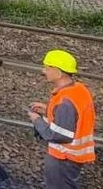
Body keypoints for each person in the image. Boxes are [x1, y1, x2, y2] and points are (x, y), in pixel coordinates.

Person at [29, 49, 96, 188]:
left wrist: (37, 120)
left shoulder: (64, 101)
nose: (44, 71)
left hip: (63, 158)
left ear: (58, 72)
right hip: (72, 158)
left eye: (48, 68)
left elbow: (59, 135)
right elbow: (73, 116)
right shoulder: (79, 90)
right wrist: (47, 109)